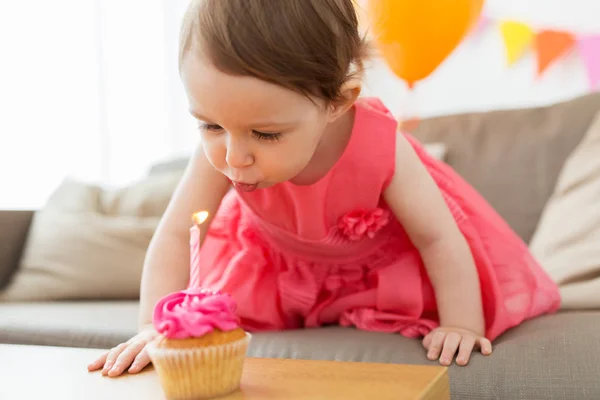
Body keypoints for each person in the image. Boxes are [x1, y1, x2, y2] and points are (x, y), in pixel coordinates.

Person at [88, 0, 560, 377]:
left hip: (377, 270)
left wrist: (461, 325)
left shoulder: (382, 147)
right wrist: (151, 324)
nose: (234, 157)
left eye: (266, 134)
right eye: (209, 125)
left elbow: (438, 238)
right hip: (280, 270)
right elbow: (175, 235)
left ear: (337, 102)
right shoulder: (227, 146)